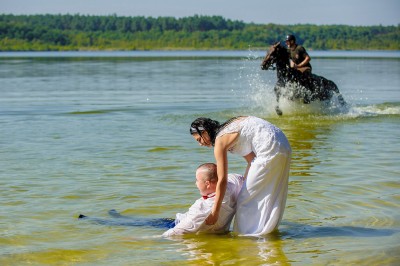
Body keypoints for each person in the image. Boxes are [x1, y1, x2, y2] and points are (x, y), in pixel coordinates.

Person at [190, 116, 291, 236]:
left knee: (244, 199)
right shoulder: (228, 129)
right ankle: (264, 230)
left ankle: (247, 235)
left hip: (269, 149)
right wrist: (245, 184)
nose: (200, 144)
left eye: (199, 140)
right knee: (263, 192)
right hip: (283, 145)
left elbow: (222, 179)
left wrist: (215, 212)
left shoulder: (220, 140)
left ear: (205, 132)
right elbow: (251, 160)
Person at [162, 163, 244, 237]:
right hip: (219, 231)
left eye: (197, 180)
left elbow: (176, 232)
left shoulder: (202, 208)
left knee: (152, 223)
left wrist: (154, 239)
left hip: (175, 224)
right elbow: (240, 178)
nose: (195, 183)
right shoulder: (234, 183)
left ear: (207, 184)